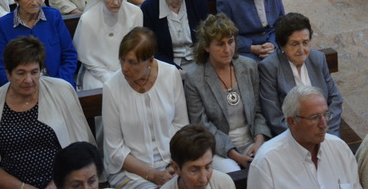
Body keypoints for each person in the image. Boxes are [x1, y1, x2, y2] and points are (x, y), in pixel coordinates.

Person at [0, 37, 95, 189]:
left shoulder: (62, 91)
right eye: (21, 73)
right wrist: (23, 187)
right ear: (8, 74)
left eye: (34, 72)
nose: (28, 80)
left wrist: (57, 184)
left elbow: (79, 146)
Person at [183, 14, 270, 176]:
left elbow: (259, 111)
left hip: (252, 140)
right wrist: (235, 155)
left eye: (230, 42)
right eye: (220, 44)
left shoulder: (249, 67)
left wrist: (258, 143)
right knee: (234, 176)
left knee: (269, 167)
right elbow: (202, 125)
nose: (227, 49)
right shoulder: (195, 78)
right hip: (218, 149)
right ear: (206, 47)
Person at [102, 27, 189, 188]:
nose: (124, 68)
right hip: (130, 170)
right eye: (122, 60)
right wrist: (152, 175)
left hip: (173, 162)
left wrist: (174, 165)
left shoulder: (170, 74)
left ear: (150, 61)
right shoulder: (111, 87)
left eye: (132, 62)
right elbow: (115, 149)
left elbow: (181, 126)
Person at [248, 85, 361, 189]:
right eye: (314, 117)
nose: (323, 125)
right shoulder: (266, 162)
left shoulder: (340, 148)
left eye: (326, 115)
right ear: (292, 122)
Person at [258, 13, 343, 139]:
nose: (302, 49)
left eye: (305, 42)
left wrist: (326, 131)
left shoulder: (318, 59)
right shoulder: (270, 67)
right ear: (282, 46)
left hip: (327, 132)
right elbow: (274, 117)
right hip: (293, 138)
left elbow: (335, 99)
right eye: (295, 44)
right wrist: (306, 138)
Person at [0, 0, 77, 86]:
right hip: (22, 88)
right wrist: (21, 87)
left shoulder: (53, 16)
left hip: (58, 83)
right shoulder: (5, 24)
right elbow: (1, 66)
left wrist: (58, 84)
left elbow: (69, 55)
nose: (35, 2)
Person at [74, 0, 143, 90]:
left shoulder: (135, 13)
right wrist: (106, 76)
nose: (116, 2)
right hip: (96, 73)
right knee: (101, 88)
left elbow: (137, 47)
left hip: (129, 67)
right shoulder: (88, 19)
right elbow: (87, 57)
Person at [217, 0, 285, 61]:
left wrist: (272, 43)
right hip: (243, 47)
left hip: (272, 40)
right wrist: (251, 48)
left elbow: (281, 21)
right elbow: (225, 32)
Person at [141, 0, 208, 68]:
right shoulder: (150, 8)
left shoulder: (197, 1)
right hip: (168, 65)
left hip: (199, 61)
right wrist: (173, 69)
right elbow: (151, 50)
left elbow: (206, 36)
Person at [163, 125, 236, 189]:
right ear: (176, 168)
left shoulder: (224, 184)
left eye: (207, 167)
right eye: (194, 170)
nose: (204, 179)